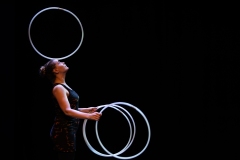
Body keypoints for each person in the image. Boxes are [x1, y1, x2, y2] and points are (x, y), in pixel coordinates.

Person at [39, 59, 102, 160]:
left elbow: (72, 108)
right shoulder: (58, 88)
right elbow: (67, 111)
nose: (63, 62)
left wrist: (87, 110)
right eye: (59, 62)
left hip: (68, 130)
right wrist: (89, 116)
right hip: (62, 131)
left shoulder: (64, 86)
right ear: (55, 70)